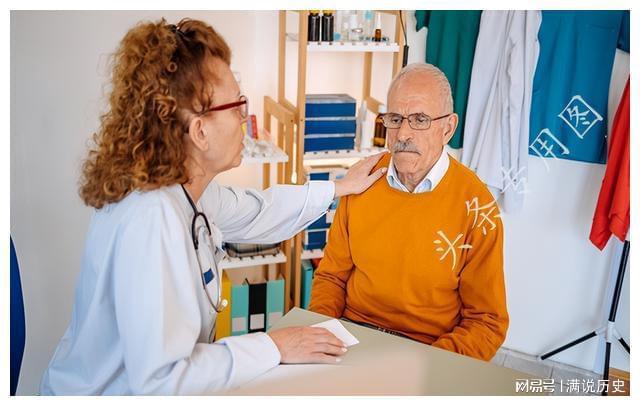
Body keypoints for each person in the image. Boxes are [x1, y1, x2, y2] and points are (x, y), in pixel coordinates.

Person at [40, 18, 386, 395]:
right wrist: (274, 346)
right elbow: (161, 381)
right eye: (238, 105)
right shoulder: (150, 217)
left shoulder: (182, 190)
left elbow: (258, 210)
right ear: (199, 132)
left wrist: (338, 188)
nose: (244, 119)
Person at [310, 63, 509, 361]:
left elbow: (487, 322)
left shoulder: (477, 206)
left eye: (419, 119)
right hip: (352, 337)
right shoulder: (361, 182)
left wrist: (428, 366)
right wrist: (322, 334)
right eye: (395, 118)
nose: (403, 133)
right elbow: (331, 278)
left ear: (448, 128)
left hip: (429, 350)